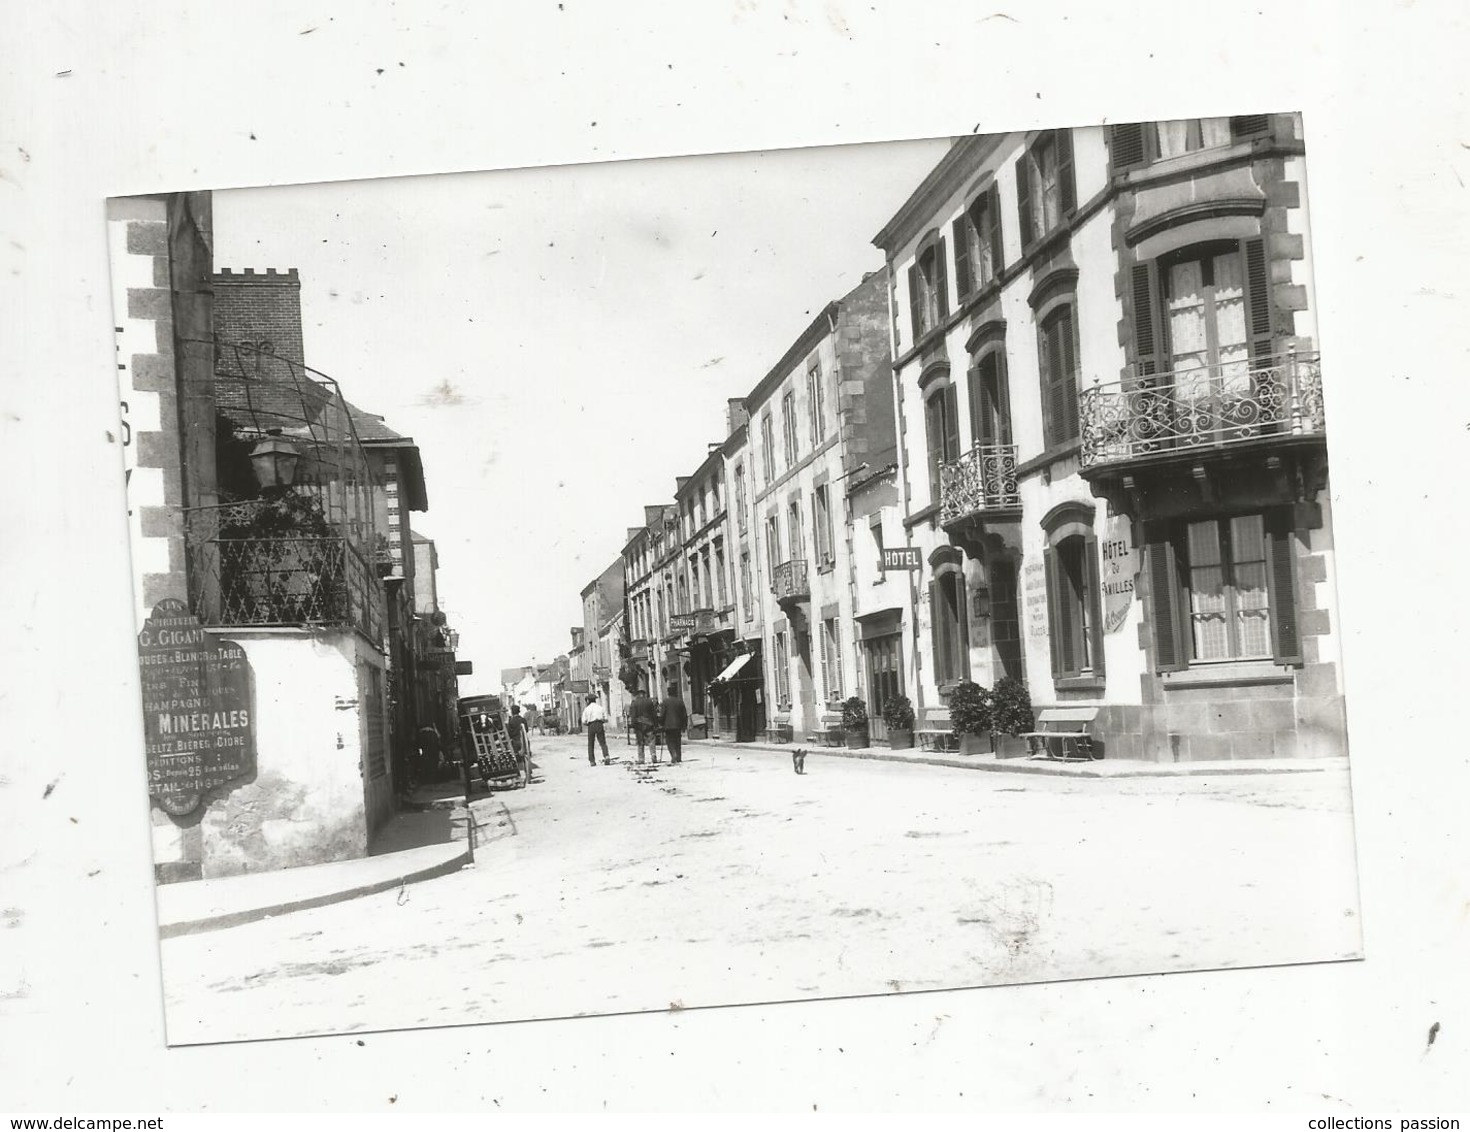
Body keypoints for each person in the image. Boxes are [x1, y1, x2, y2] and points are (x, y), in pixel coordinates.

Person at [628, 686, 660, 765]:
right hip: (649, 724)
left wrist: (632, 725)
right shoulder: (649, 702)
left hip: (639, 725)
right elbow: (653, 714)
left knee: (640, 742)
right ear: (644, 694)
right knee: (651, 740)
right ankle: (653, 755)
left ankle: (641, 758)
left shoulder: (634, 703)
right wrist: (656, 724)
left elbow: (633, 715)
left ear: (638, 695)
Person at [660, 682, 689, 765]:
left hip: (668, 726)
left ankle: (673, 755)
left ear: (668, 693)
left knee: (670, 741)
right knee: (677, 741)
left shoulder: (665, 702)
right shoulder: (680, 702)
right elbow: (684, 715)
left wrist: (661, 724)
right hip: (678, 725)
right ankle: (679, 757)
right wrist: (684, 726)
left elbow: (662, 714)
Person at [583, 693, 610, 766]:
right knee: (602, 742)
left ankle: (592, 761)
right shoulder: (600, 708)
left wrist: (588, 723)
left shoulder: (586, 709)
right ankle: (606, 756)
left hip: (591, 725)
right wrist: (601, 721)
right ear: (595, 700)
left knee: (591, 743)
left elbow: (584, 721)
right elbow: (606, 719)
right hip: (599, 724)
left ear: (588, 701)